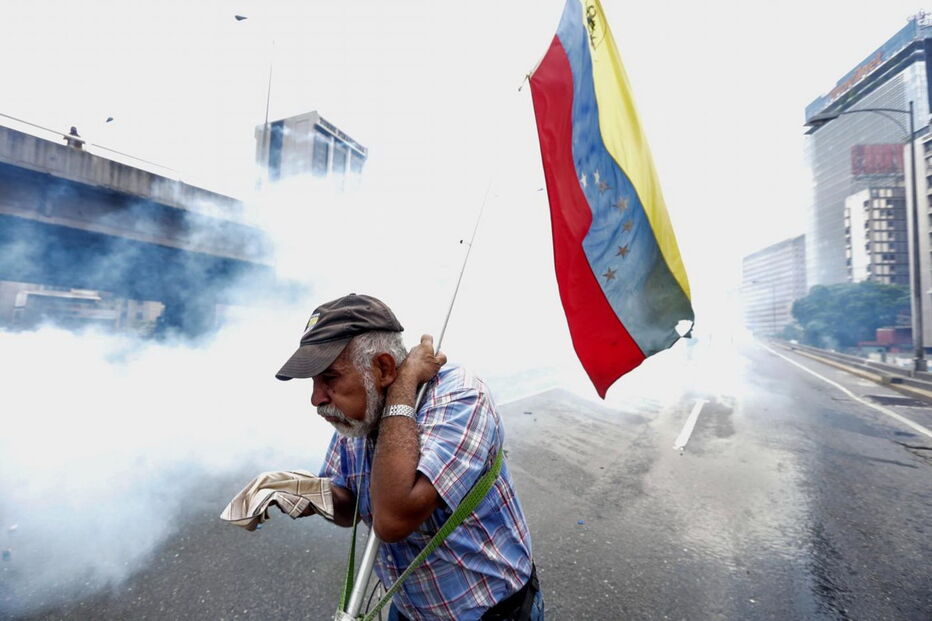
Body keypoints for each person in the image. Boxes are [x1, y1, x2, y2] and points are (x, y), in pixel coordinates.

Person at [275, 293, 542, 621]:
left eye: (329, 378)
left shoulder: (460, 396)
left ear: (384, 368)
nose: (316, 398)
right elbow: (349, 507)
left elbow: (392, 520)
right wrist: (299, 490)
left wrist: (403, 385)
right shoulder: (356, 417)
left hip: (488, 611)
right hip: (410, 608)